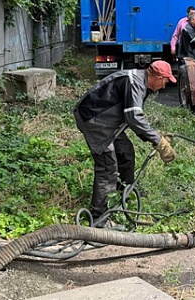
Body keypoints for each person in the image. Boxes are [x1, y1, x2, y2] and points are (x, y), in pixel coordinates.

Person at [73, 60, 177, 222]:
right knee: (107, 168)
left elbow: (133, 117)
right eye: (165, 81)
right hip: (94, 120)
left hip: (108, 121)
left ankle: (122, 197)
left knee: (125, 152)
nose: (164, 86)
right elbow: (134, 118)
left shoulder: (140, 81)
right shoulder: (135, 82)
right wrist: (159, 142)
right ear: (157, 77)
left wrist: (155, 135)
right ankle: (99, 217)